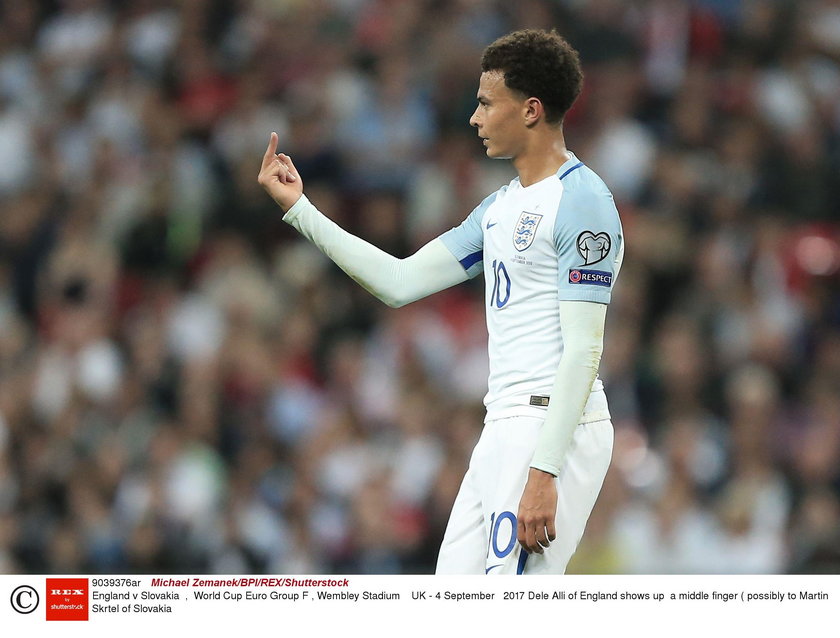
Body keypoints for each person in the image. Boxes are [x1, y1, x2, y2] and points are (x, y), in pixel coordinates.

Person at [258, 29, 624, 575]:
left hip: (552, 430)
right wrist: (300, 208)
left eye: (484, 104)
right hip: (501, 425)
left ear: (529, 110)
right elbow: (399, 282)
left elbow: (583, 350)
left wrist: (544, 472)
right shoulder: (498, 209)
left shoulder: (583, 202)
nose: (473, 119)